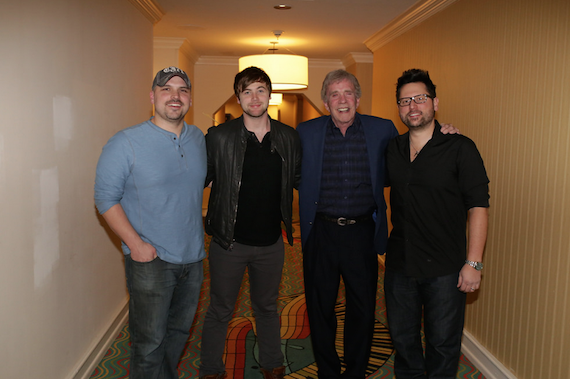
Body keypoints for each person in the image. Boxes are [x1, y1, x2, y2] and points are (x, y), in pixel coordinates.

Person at [94, 67, 206, 379]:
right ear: (152, 96)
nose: (175, 95)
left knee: (178, 335)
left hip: (193, 258)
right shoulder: (126, 142)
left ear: (190, 99)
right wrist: (136, 245)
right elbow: (105, 198)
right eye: (166, 89)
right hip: (150, 261)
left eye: (182, 90)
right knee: (148, 344)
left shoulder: (197, 138)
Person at [384, 68, 489, 379]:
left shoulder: (460, 148)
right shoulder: (393, 149)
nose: (412, 107)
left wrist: (474, 263)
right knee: (403, 343)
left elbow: (478, 206)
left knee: (442, 346)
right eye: (405, 101)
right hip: (400, 265)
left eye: (420, 98)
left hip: (445, 269)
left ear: (435, 102)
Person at [199, 67, 302, 379]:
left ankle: (272, 366)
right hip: (228, 242)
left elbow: (301, 180)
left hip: (271, 243)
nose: (254, 97)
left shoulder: (288, 137)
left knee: (267, 308)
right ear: (238, 97)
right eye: (247, 91)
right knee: (220, 310)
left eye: (260, 90)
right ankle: (211, 369)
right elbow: (195, 179)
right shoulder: (219, 137)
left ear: (269, 94)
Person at [296, 69, 398, 379]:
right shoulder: (306, 132)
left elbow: (406, 162)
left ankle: (355, 372)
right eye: (335, 94)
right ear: (325, 101)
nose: (342, 100)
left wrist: (442, 131)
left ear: (358, 98)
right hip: (321, 231)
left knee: (363, 308)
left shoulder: (383, 130)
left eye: (348, 93)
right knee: (319, 307)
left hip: (361, 232)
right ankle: (328, 372)